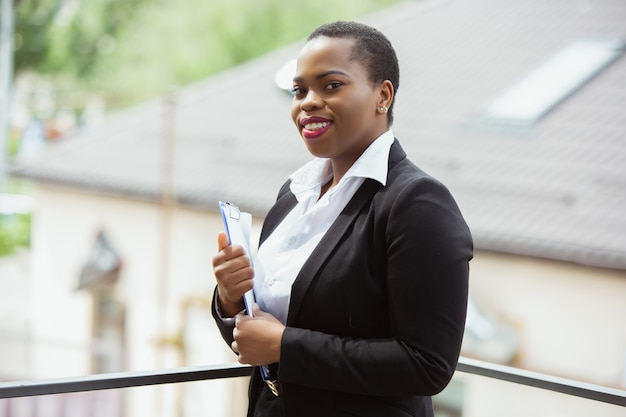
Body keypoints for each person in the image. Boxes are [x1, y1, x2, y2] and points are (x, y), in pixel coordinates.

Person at [211, 20, 473, 417]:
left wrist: (286, 345)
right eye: (299, 91)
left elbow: (427, 364)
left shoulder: (416, 203)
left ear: (383, 95)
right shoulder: (294, 194)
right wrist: (231, 298)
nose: (308, 102)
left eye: (331, 85)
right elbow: (256, 336)